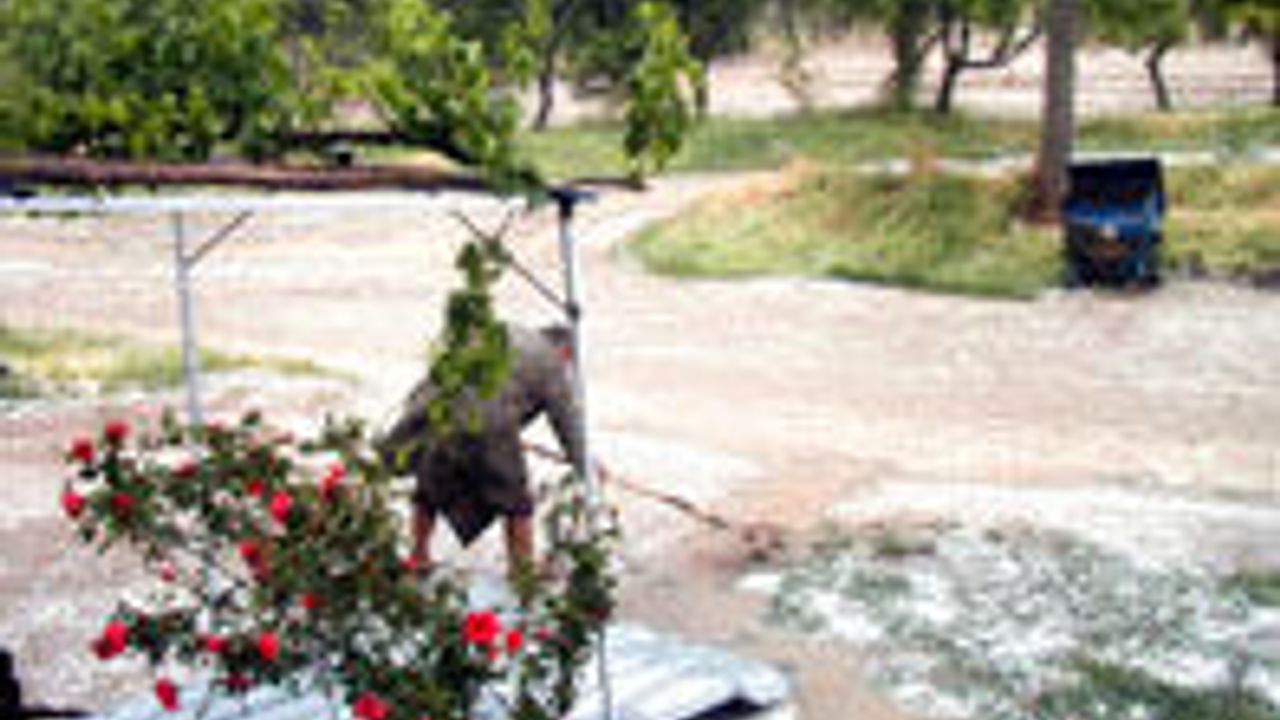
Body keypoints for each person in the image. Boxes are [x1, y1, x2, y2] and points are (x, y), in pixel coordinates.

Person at [377, 325, 582, 577]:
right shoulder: (552, 363)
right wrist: (583, 463)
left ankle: (418, 555)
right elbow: (566, 421)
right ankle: (522, 570)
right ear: (566, 353)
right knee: (516, 502)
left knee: (428, 486)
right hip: (491, 420)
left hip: (440, 408)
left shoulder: (503, 333)